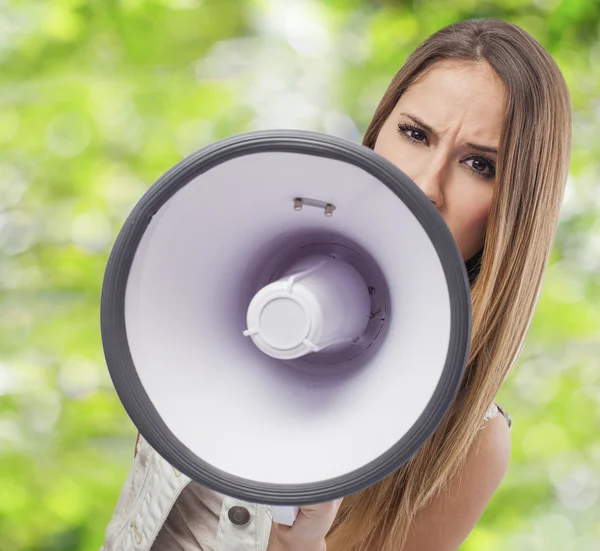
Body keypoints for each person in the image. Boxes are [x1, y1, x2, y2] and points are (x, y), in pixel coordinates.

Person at [100, 17, 571, 551]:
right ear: (378, 130)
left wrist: (299, 544)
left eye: (479, 165)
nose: (426, 185)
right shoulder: (216, 257)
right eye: (415, 134)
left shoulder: (471, 441)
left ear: (514, 208)